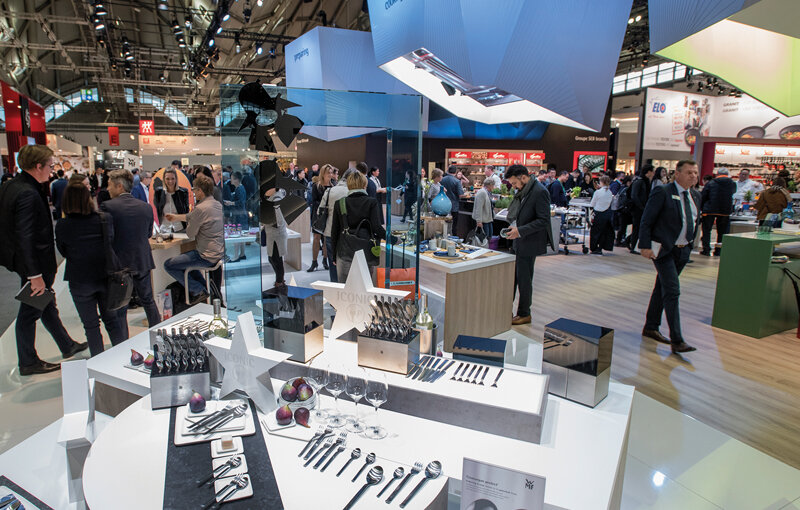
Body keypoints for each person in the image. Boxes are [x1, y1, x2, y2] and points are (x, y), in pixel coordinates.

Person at [0, 145, 88, 375]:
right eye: (50, 165)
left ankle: (66, 345)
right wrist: (34, 275)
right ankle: (28, 361)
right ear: (38, 166)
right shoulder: (27, 193)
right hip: (35, 264)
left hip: (25, 261)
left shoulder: (12, 186)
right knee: (30, 312)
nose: (52, 170)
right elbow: (25, 236)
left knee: (47, 304)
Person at [639, 160, 701, 354]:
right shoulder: (663, 192)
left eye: (695, 173)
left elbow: (694, 221)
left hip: (682, 251)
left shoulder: (696, 195)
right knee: (672, 290)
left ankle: (651, 326)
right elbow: (647, 219)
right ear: (677, 174)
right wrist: (644, 245)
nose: (693, 176)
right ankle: (677, 339)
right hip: (664, 250)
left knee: (662, 287)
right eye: (689, 172)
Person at [55, 181, 125, 356]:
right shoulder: (104, 219)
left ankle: (97, 363)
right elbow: (111, 242)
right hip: (106, 275)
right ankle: (122, 359)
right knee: (112, 321)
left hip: (79, 279)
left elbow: (63, 250)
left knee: (91, 326)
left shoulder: (63, 225)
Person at [100, 170, 161, 339]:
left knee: (120, 308)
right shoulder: (145, 207)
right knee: (148, 301)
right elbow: (148, 233)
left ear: (119, 186)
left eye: (110, 185)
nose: (107, 189)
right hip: (142, 260)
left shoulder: (108, 207)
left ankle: (122, 343)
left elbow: (106, 237)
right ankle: (158, 337)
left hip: (119, 264)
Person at [504, 165, 554, 326]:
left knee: (524, 279)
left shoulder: (540, 192)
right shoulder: (524, 192)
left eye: (514, 183)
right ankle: (505, 310)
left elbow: (543, 220)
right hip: (519, 240)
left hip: (529, 242)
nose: (514, 186)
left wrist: (520, 231)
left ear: (523, 177)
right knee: (512, 278)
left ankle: (524, 313)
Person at [163, 174, 224, 303]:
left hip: (205, 256)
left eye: (194, 190)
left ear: (200, 190)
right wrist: (177, 217)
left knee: (169, 265)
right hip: (217, 253)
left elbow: (190, 233)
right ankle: (205, 290)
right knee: (187, 263)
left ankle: (198, 290)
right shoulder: (216, 204)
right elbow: (192, 216)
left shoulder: (200, 208)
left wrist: (190, 223)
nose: (194, 193)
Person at [331, 171, 386, 283]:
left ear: (349, 185)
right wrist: (392, 239)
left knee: (344, 288)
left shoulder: (340, 203)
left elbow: (334, 231)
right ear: (364, 184)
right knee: (365, 287)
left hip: (344, 252)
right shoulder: (372, 202)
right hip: (366, 252)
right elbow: (376, 228)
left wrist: (334, 256)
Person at [318, 167, 348, 282]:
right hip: (348, 233)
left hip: (330, 231)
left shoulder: (330, 191)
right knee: (348, 262)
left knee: (333, 262)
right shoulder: (351, 192)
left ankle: (335, 286)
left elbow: (319, 211)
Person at [700, 168, 737, 256]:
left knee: (706, 230)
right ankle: (718, 251)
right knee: (722, 232)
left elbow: (704, 195)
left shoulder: (711, 183)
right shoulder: (732, 183)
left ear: (717, 174)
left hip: (709, 209)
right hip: (725, 210)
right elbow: (733, 192)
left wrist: (701, 207)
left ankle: (706, 250)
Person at [308, 164, 335, 272]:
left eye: (331, 172)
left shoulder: (333, 186)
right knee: (316, 238)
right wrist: (323, 206)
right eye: (328, 173)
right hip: (318, 215)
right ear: (323, 173)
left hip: (329, 215)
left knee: (326, 239)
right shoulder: (316, 186)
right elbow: (313, 201)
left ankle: (325, 260)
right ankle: (314, 261)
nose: (330, 175)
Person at [629, 164, 655, 254]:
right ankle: (633, 246)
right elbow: (634, 196)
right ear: (648, 172)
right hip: (638, 209)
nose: (653, 173)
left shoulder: (646, 182)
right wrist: (641, 207)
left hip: (642, 208)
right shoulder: (640, 182)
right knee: (637, 228)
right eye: (652, 171)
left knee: (639, 228)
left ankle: (633, 244)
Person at [589, 175, 614, 254]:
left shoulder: (598, 192)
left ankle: (594, 248)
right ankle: (600, 248)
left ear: (601, 182)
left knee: (595, 232)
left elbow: (592, 204)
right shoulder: (610, 192)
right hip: (606, 214)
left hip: (598, 213)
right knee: (603, 232)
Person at [441, 166, 467, 231]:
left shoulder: (442, 179)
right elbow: (461, 195)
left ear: (448, 171)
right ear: (455, 172)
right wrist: (466, 195)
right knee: (453, 225)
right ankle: (452, 236)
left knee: (443, 224)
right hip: (454, 206)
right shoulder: (457, 181)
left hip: (443, 204)